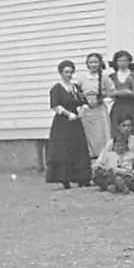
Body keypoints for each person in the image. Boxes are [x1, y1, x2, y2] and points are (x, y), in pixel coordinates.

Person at [46, 60, 89, 189]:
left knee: (78, 147)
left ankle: (81, 178)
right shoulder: (57, 88)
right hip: (63, 123)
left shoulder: (75, 87)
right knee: (64, 149)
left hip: (76, 122)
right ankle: (65, 179)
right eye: (66, 72)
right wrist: (68, 114)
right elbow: (55, 105)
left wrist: (82, 110)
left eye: (70, 72)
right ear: (61, 73)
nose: (69, 75)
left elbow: (83, 101)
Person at [78, 53, 112, 159]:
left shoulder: (104, 77)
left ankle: (103, 158)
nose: (93, 65)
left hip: (100, 110)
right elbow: (77, 93)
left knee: (102, 134)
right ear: (87, 64)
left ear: (100, 63)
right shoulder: (82, 78)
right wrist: (84, 100)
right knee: (88, 135)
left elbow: (111, 92)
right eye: (91, 62)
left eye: (96, 62)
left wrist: (101, 98)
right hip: (87, 110)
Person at [106, 50, 134, 133]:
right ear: (116, 62)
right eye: (120, 61)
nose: (122, 63)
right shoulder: (111, 77)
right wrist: (118, 93)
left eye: (125, 60)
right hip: (117, 106)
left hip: (132, 106)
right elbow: (108, 93)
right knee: (117, 129)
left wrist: (130, 93)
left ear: (129, 61)